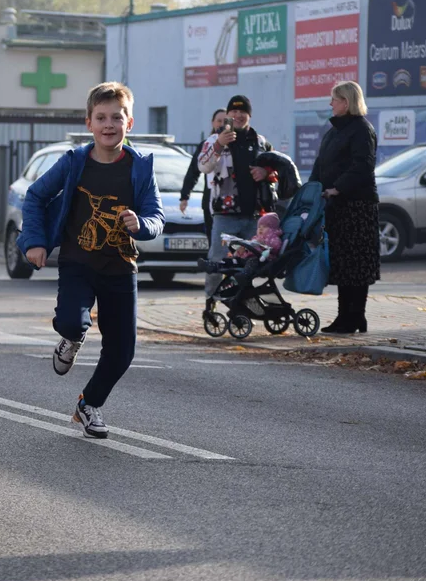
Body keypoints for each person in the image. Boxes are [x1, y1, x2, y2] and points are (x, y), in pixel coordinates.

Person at [17, 82, 164, 439]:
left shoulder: (140, 167)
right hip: (77, 260)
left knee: (122, 351)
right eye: (101, 117)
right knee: (71, 321)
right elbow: (35, 196)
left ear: (130, 124)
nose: (109, 124)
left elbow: (156, 217)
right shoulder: (73, 162)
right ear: (89, 123)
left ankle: (88, 404)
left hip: (120, 267)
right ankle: (70, 339)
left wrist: (141, 224)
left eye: (117, 117)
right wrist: (35, 242)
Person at [310, 81, 380, 334]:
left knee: (357, 266)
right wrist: (312, 189)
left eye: (334, 99)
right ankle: (345, 317)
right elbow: (321, 164)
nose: (330, 103)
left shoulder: (362, 129)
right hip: (336, 206)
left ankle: (355, 317)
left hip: (357, 206)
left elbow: (363, 165)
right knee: (342, 264)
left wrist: (337, 188)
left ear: (347, 102)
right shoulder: (334, 131)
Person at [197, 95, 275, 311]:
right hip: (225, 214)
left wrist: (266, 172)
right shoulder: (214, 140)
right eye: (234, 111)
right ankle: (211, 303)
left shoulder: (261, 141)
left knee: (250, 263)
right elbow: (203, 167)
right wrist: (220, 144)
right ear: (228, 115)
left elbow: (276, 169)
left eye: (243, 112)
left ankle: (242, 301)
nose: (238, 115)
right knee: (217, 260)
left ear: (249, 115)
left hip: (255, 216)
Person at [180, 109, 227, 246]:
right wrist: (184, 196)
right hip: (211, 197)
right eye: (219, 121)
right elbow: (193, 172)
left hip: (231, 199)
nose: (222, 124)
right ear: (213, 122)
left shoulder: (236, 143)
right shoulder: (206, 145)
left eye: (226, 121)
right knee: (213, 239)